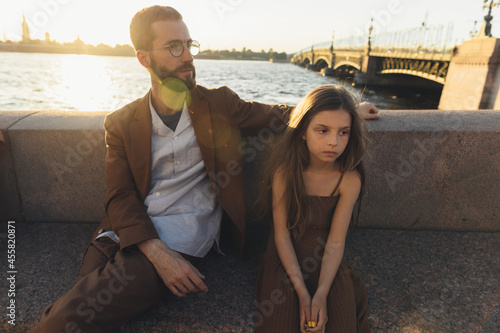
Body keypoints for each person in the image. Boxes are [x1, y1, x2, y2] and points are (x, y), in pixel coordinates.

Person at [30, 6, 379, 332]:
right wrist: (154, 250)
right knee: (77, 309)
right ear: (143, 58)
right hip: (124, 234)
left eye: (188, 44)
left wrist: (346, 107)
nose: (188, 56)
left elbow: (282, 114)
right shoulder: (121, 122)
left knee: (63, 320)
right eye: (174, 47)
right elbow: (119, 194)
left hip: (182, 236)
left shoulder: (219, 104)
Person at [254, 85, 371, 333]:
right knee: (281, 322)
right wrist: (302, 292)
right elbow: (282, 234)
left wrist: (320, 294)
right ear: (303, 131)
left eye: (344, 132)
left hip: (326, 256)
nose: (333, 142)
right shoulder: (285, 173)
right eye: (323, 130)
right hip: (286, 255)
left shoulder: (349, 179)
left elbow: (336, 242)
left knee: (339, 323)